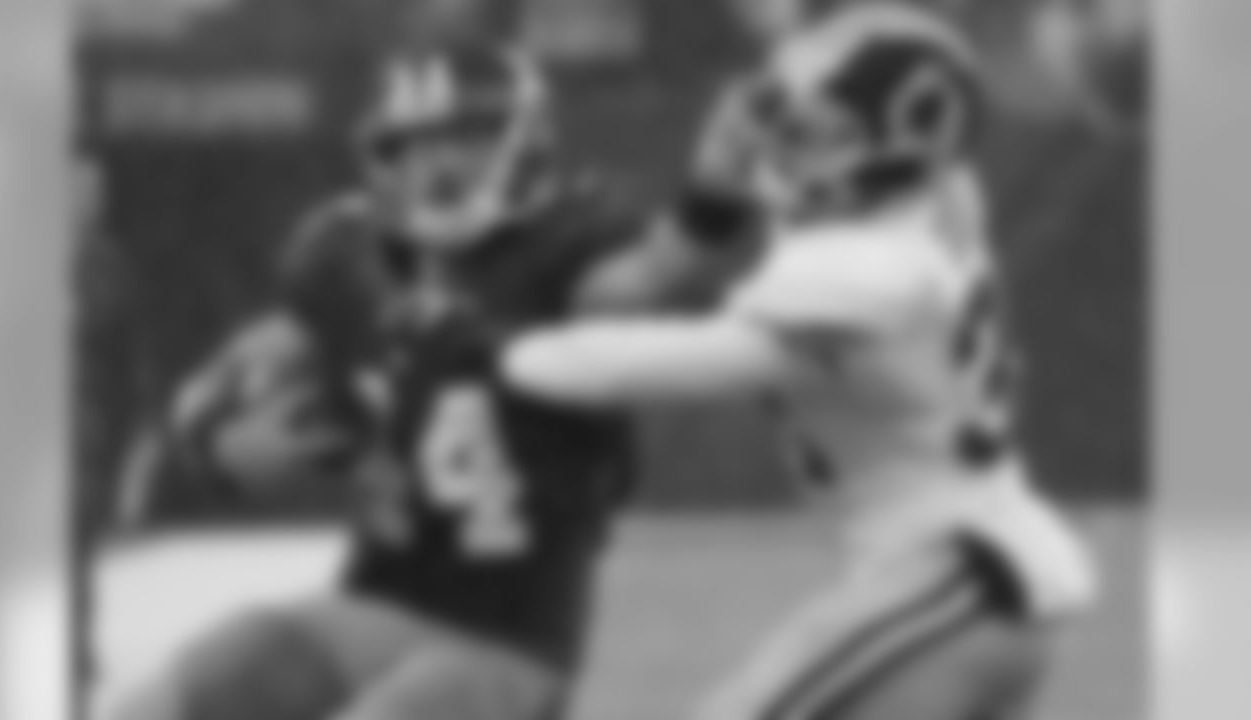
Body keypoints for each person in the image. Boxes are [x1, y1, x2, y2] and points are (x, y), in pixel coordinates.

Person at [101, 40, 757, 720]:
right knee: (203, 679)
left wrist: (714, 197)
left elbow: (651, 276)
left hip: (510, 640)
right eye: (415, 144)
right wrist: (213, 447)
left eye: (466, 137)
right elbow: (236, 379)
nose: (439, 163)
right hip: (378, 607)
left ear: (527, 138)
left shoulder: (562, 247)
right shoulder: (350, 255)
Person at [500, 4, 1098, 720]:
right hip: (973, 583)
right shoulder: (933, 208)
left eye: (821, 134)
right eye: (786, 122)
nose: (782, 145)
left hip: (956, 572)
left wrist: (493, 352)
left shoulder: (868, 273)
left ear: (898, 151)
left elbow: (666, 364)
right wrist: (720, 185)